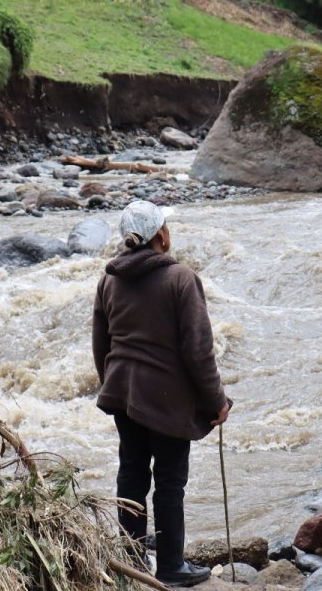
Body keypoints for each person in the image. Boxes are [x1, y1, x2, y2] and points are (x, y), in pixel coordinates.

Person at [92, 200, 231, 588]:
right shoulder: (181, 279)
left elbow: (100, 345)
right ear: (160, 236)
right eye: (167, 226)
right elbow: (198, 351)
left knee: (131, 475)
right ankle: (171, 566)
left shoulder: (109, 279)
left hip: (122, 393)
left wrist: (114, 385)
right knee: (170, 481)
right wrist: (216, 402)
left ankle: (133, 561)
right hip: (168, 399)